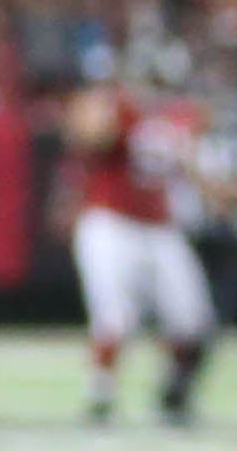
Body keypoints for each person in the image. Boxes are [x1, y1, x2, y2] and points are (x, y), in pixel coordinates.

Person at [63, 39, 218, 425]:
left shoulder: (181, 117)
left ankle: (175, 392)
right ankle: (100, 395)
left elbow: (188, 168)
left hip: (159, 227)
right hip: (111, 222)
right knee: (114, 318)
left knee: (193, 319)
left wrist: (214, 192)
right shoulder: (119, 107)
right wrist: (109, 111)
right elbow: (87, 135)